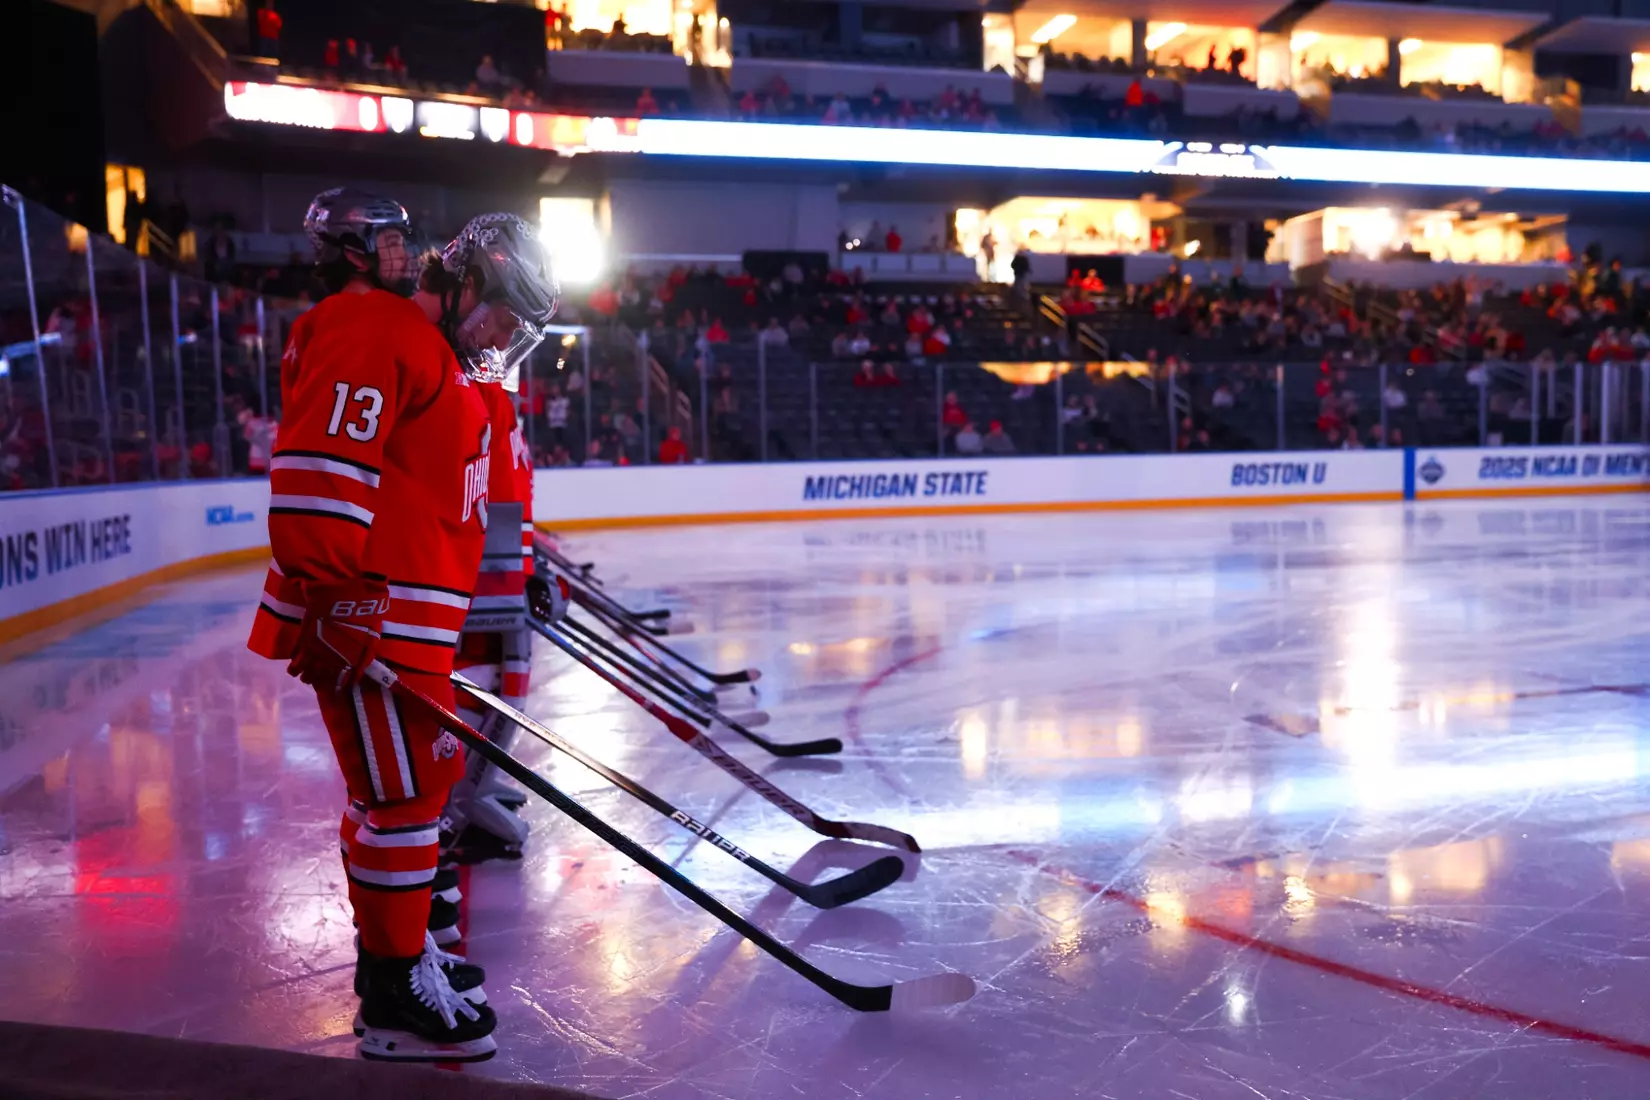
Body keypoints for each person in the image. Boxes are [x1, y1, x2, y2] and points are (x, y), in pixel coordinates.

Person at [246, 193, 556, 1064]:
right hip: (374, 621)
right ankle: (390, 998)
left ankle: (401, 948)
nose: (504, 333)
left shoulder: (439, 354)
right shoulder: (372, 329)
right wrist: (337, 599)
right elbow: (317, 477)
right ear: (460, 281)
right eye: (501, 310)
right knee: (406, 801)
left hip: (408, 626)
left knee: (402, 800)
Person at [445, 216, 560, 867]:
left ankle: (474, 787)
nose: (508, 338)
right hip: (484, 577)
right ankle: (462, 799)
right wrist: (510, 571)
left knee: (506, 688)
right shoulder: (469, 383)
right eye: (507, 319)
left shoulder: (491, 385)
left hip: (500, 566)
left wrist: (527, 560)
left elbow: (508, 487)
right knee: (490, 688)